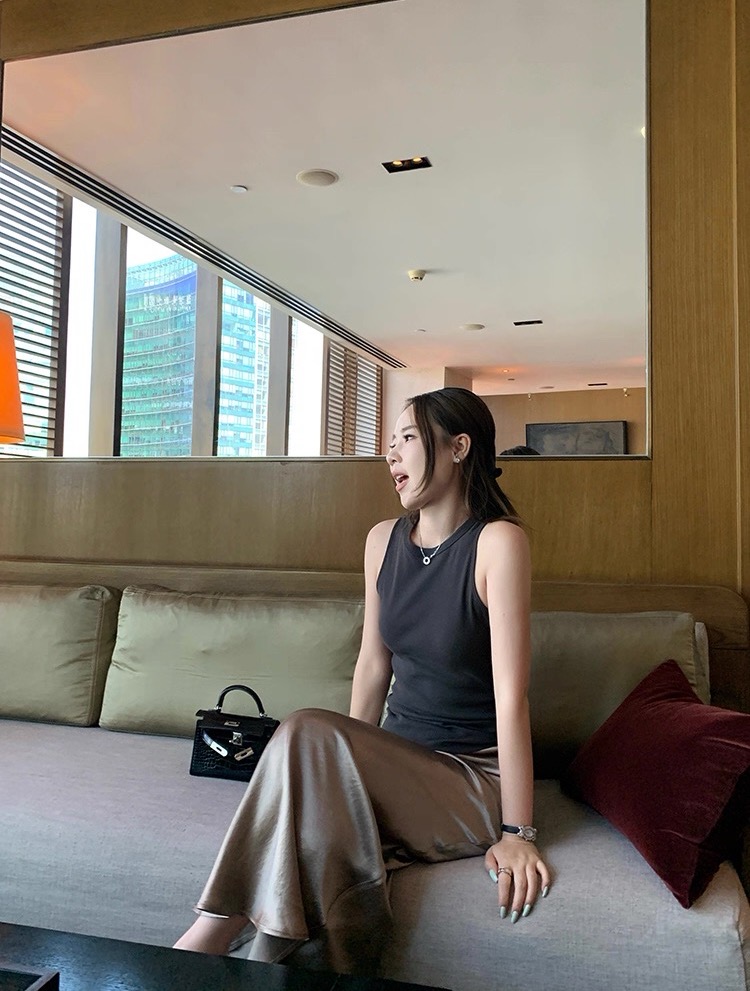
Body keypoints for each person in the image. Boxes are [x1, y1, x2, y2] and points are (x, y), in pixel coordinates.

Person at [174, 386, 551, 973]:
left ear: (459, 447)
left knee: (303, 729)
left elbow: (511, 697)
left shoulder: (498, 542)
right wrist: (339, 773)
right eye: (390, 441)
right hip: (393, 761)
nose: (390, 454)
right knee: (311, 761)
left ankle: (212, 931)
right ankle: (261, 958)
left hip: (471, 777)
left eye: (407, 438)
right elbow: (374, 665)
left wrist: (518, 831)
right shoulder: (382, 540)